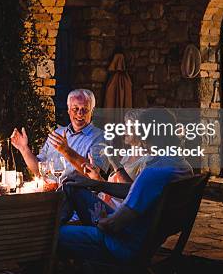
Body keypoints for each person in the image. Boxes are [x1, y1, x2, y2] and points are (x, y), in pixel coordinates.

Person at [57, 108, 193, 263]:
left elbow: (113, 225)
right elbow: (135, 190)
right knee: (72, 187)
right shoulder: (182, 166)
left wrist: (99, 220)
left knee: (51, 235)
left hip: (123, 244)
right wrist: (95, 184)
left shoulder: (153, 173)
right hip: (146, 241)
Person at [10, 89, 108, 179]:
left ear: (92, 111)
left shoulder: (100, 137)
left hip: (77, 196)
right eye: (75, 109)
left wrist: (66, 151)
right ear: (68, 110)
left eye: (85, 109)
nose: (80, 113)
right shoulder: (57, 133)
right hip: (50, 193)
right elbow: (39, 170)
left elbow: (95, 174)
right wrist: (23, 148)